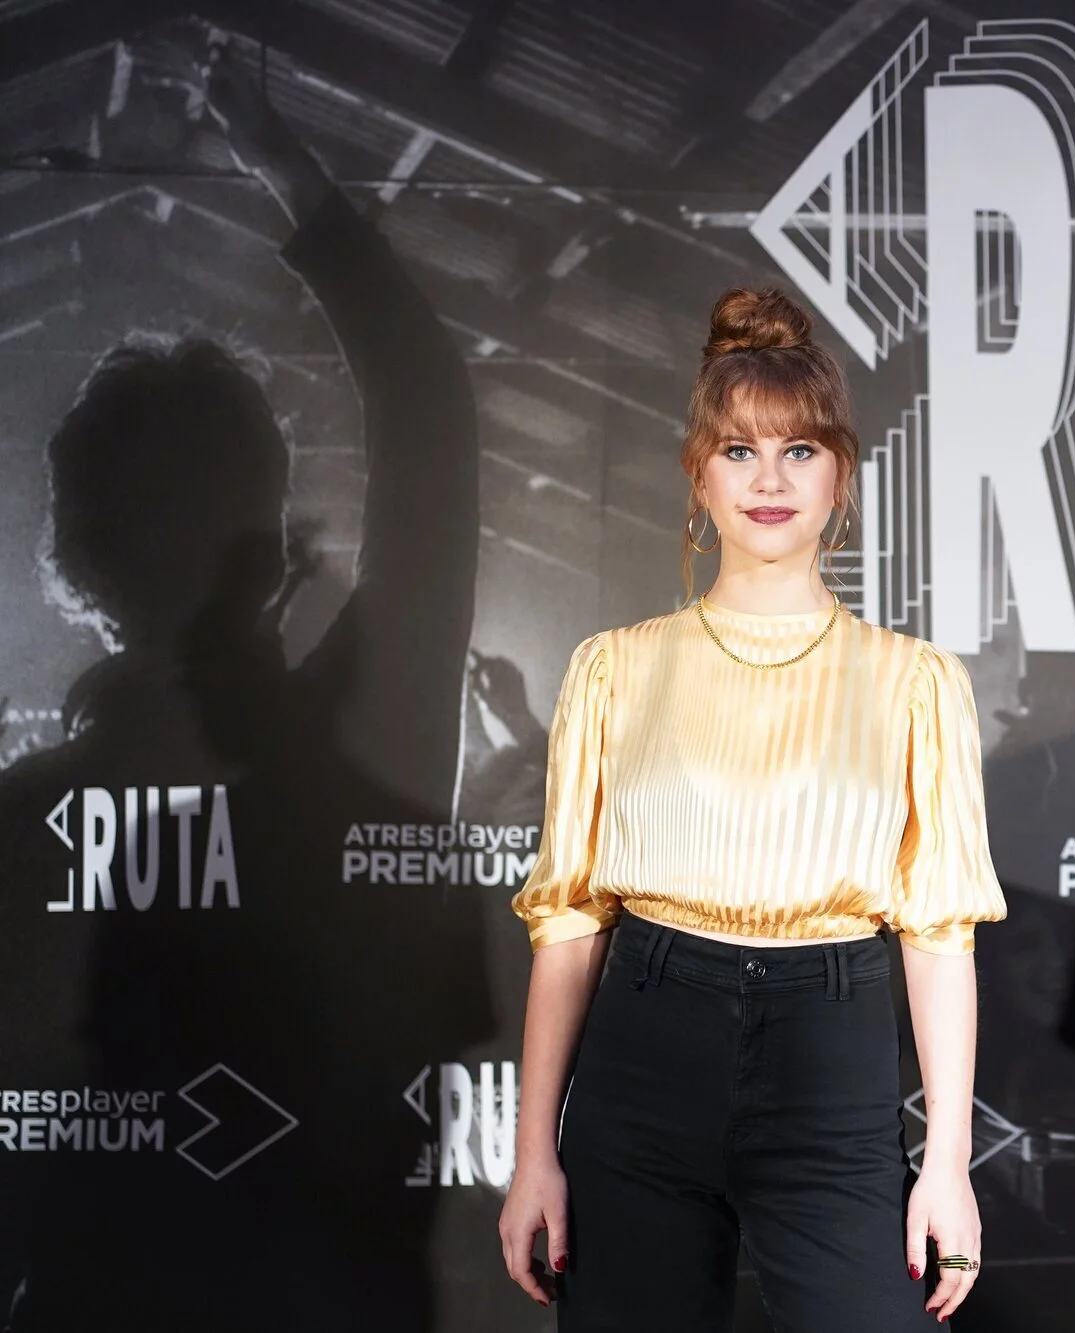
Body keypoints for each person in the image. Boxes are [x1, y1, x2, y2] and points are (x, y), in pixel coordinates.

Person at [0, 41, 486, 1333]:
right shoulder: (370, 739)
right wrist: (289, 172)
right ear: (272, 551)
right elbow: (430, 425)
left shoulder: (19, 830)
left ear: (73, 556)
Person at [497, 287, 1008, 1330]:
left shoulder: (915, 684)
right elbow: (569, 925)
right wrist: (532, 1151)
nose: (769, 480)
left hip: (831, 1062)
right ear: (699, 475)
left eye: (799, 450)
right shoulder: (613, 670)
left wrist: (948, 1164)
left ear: (840, 476)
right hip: (643, 1060)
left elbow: (938, 936)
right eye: (739, 451)